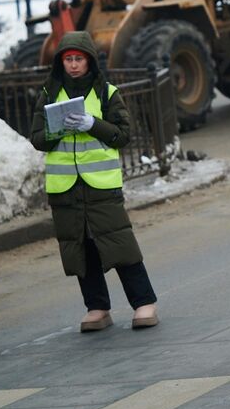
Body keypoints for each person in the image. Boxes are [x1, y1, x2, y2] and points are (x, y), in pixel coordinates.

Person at [29, 31, 159, 332]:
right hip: (65, 188)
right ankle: (97, 307)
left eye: (79, 59)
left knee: (119, 243)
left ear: (89, 61)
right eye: (68, 59)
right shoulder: (49, 94)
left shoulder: (106, 93)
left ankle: (144, 303)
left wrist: (92, 124)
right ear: (61, 62)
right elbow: (36, 138)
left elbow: (123, 134)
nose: (73, 65)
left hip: (101, 184)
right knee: (80, 249)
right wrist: (57, 130)